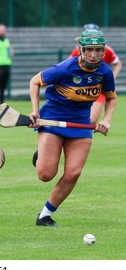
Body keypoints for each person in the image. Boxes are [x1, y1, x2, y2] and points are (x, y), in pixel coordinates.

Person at [30, 30, 116, 227]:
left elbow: (111, 97)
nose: (93, 54)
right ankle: (41, 157)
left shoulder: (105, 72)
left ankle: (45, 215)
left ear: (103, 51)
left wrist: (107, 119)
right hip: (53, 119)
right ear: (81, 50)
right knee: (45, 175)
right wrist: (35, 112)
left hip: (80, 124)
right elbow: (35, 81)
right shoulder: (65, 68)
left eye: (98, 50)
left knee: (73, 172)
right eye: (89, 50)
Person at [69, 23, 122, 124]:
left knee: (91, 121)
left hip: (98, 88)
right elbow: (67, 66)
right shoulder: (78, 50)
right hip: (81, 88)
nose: (93, 54)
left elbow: (118, 64)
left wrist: (112, 78)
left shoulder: (107, 50)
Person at [0, 23, 14, 108]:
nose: (1, 32)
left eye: (2, 30)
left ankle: (2, 102)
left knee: (4, 85)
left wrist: (11, 52)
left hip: (6, 65)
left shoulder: (7, 41)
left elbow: (10, 55)